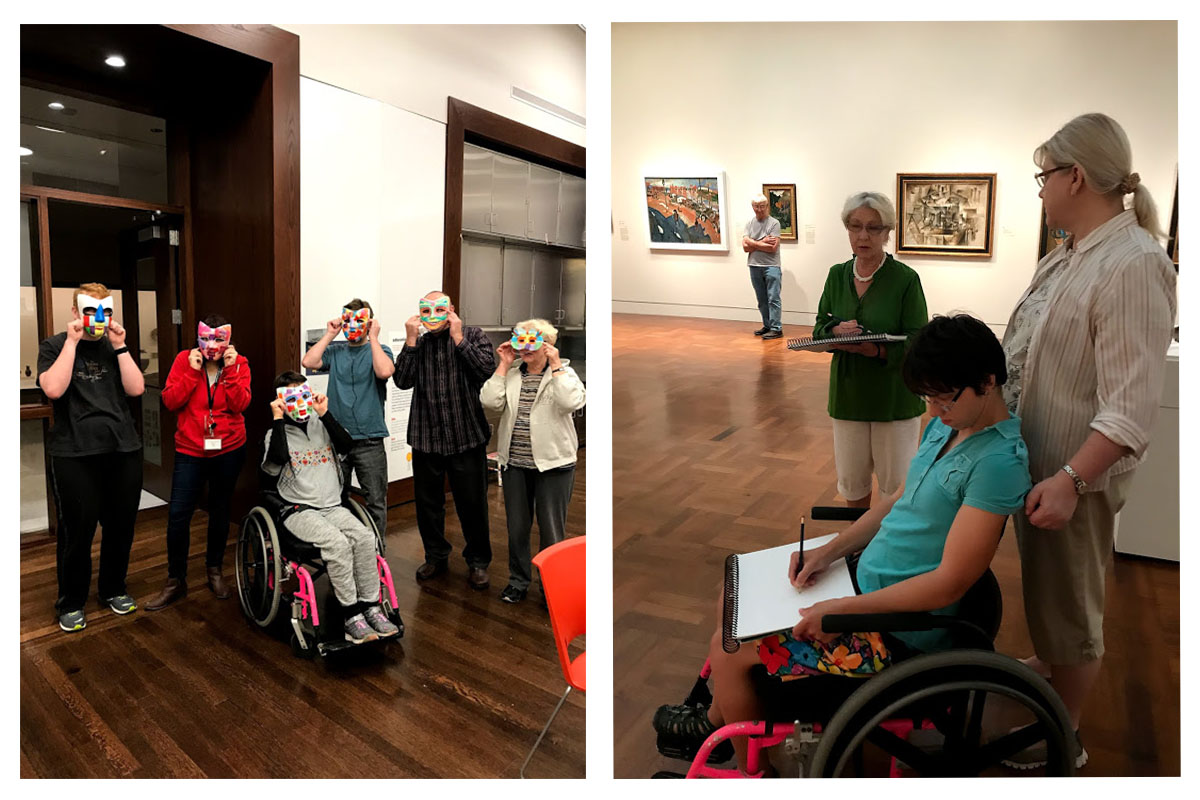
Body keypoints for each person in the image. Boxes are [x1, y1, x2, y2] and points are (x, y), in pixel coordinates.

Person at [653, 314, 1031, 777]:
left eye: (942, 396)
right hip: (863, 584)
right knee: (733, 600)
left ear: (987, 381)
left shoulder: (997, 464)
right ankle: (717, 722)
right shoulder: (948, 426)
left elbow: (949, 583)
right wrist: (826, 554)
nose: (933, 409)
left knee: (730, 650)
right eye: (927, 396)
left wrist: (844, 613)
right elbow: (897, 499)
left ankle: (748, 759)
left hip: (898, 632)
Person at [999, 113, 1176, 769]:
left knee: (1073, 608)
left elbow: (1129, 408)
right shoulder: (1073, 252)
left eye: (1043, 177)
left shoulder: (1132, 265)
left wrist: (1071, 480)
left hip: (1070, 474)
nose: (1040, 191)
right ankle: (1050, 662)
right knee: (1052, 594)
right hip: (1041, 464)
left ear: (1075, 176)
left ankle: (1062, 737)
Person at [36, 283, 145, 632]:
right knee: (77, 532)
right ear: (74, 312)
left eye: (105, 311)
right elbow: (53, 388)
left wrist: (120, 345)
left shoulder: (115, 345)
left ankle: (113, 588)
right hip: (74, 452)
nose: (99, 319)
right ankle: (71, 601)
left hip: (122, 448)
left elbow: (136, 388)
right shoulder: (54, 345)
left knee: (120, 527)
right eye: (90, 311)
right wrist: (71, 342)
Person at [262, 372, 399, 643]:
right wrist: (278, 419)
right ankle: (351, 615)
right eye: (291, 398)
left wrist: (324, 413)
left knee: (364, 538)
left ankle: (371, 607)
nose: (299, 403)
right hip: (299, 510)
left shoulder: (321, 423)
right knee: (337, 544)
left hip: (333, 506)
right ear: (280, 401)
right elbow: (274, 463)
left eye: (303, 395)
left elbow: (348, 445)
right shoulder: (273, 434)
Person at [811, 192, 928, 509]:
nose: (863, 236)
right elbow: (820, 325)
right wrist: (833, 332)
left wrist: (874, 351)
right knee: (852, 485)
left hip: (894, 399)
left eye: (874, 228)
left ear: (888, 232)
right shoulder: (837, 274)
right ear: (847, 228)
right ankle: (857, 552)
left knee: (895, 490)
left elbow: (919, 341)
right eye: (855, 226)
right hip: (849, 397)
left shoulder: (905, 279)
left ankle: (891, 554)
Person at [146, 315, 252, 610]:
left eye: (219, 339)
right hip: (191, 450)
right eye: (207, 338)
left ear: (229, 340)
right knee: (178, 514)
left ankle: (214, 570)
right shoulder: (184, 360)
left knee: (220, 511)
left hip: (228, 448)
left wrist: (230, 372)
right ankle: (175, 580)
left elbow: (240, 404)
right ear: (198, 338)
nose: (212, 345)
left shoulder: (239, 363)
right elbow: (170, 402)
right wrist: (192, 373)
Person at [394, 292, 497, 589]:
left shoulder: (473, 335)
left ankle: (478, 561)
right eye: (427, 310)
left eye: (440, 309)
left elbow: (485, 370)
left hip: (466, 435)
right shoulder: (420, 344)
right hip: (426, 436)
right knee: (428, 504)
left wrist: (458, 338)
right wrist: (410, 340)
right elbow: (402, 380)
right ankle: (436, 556)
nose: (433, 314)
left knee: (472, 503)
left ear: (451, 310)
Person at [480, 319, 586, 603]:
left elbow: (571, 402)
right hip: (515, 464)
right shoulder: (513, 374)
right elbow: (490, 402)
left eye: (531, 341)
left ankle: (551, 585)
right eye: (519, 340)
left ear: (546, 344)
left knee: (551, 529)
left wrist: (556, 366)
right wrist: (503, 365)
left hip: (554, 465)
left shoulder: (564, 373)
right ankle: (518, 580)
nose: (524, 347)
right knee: (517, 528)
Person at [300, 298, 395, 538]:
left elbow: (384, 371)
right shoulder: (336, 350)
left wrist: (373, 337)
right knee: (335, 497)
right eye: (347, 320)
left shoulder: (381, 351)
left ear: (369, 322)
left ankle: (376, 552)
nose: (352, 326)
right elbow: (308, 362)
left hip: (370, 439)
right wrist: (330, 334)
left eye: (359, 321)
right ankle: (343, 548)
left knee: (375, 499)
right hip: (336, 439)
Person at [743, 194, 783, 339]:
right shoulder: (749, 223)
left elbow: (772, 248)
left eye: (762, 206)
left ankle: (776, 328)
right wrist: (762, 241)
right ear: (752, 207)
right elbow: (745, 248)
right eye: (756, 206)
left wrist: (752, 241)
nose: (759, 210)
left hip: (771, 266)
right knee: (762, 299)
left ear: (767, 207)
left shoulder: (774, 223)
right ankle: (767, 325)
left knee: (773, 298)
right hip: (754, 265)